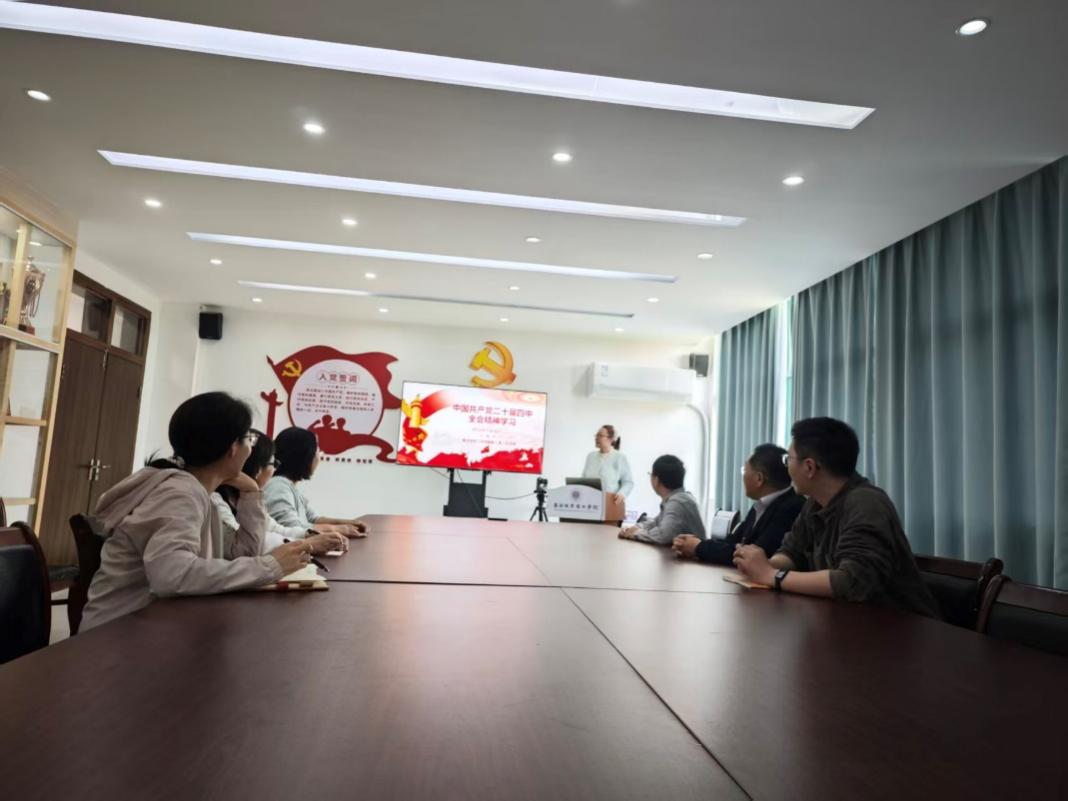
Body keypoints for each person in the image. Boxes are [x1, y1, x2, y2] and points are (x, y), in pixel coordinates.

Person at [81, 393, 312, 632]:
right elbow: (172, 575)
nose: (250, 448)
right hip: (119, 635)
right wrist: (270, 566)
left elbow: (241, 554)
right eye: (249, 439)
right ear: (233, 447)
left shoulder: (198, 491)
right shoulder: (179, 494)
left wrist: (252, 492)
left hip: (153, 625)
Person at [733, 417, 940, 618]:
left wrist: (772, 575)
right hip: (850, 621)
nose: (787, 467)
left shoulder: (866, 504)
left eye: (789, 459)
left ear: (809, 467)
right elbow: (793, 552)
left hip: (903, 627)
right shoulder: (814, 503)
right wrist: (764, 565)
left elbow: (851, 581)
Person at [213, 429, 348, 556]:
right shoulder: (216, 501)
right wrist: (309, 543)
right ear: (258, 468)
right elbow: (247, 547)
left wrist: (309, 535)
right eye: (274, 463)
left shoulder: (239, 495)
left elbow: (276, 529)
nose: (319, 455)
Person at [673, 444, 804, 564]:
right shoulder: (760, 505)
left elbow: (756, 555)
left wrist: (698, 547)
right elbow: (732, 542)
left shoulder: (791, 507)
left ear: (759, 478)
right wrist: (694, 544)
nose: (743, 477)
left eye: (744, 471)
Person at [264, 427, 369, 537]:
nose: (319, 456)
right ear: (305, 456)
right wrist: (337, 529)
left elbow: (314, 519)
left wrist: (350, 523)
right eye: (317, 450)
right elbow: (294, 528)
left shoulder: (288, 485)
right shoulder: (278, 487)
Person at [618, 455, 705, 544]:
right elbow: (655, 522)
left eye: (651, 475)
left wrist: (636, 534)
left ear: (656, 480)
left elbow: (664, 535)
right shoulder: (678, 498)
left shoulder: (677, 503)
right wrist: (637, 527)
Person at [582, 424, 634, 505]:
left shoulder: (620, 457)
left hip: (611, 503)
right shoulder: (590, 456)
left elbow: (628, 482)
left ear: (611, 439)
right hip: (590, 503)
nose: (596, 438)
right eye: (596, 435)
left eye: (600, 435)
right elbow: (583, 479)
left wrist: (622, 494)